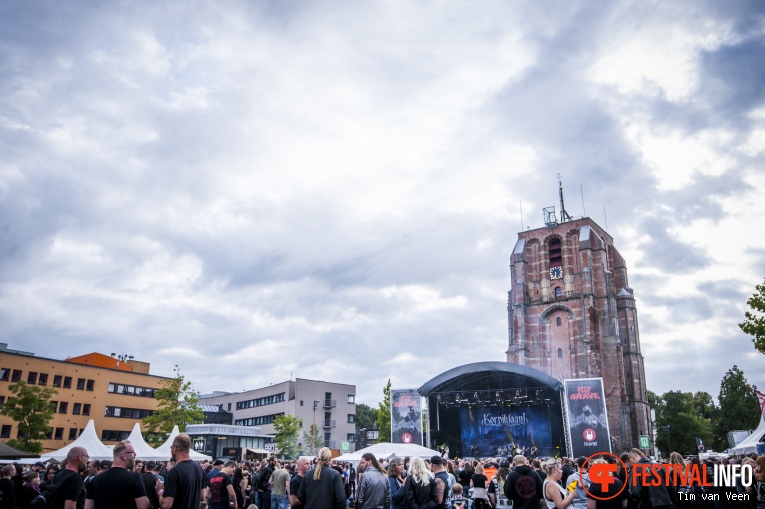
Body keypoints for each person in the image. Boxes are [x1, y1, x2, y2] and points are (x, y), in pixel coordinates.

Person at [85, 440, 148, 509]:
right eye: (133, 453)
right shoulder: (134, 478)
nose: (135, 455)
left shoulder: (96, 479)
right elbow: (143, 505)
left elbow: (88, 506)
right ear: (124, 456)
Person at [159, 433, 207, 509]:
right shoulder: (199, 468)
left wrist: (160, 491)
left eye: (171, 448)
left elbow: (166, 505)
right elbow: (202, 496)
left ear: (175, 448)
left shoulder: (175, 471)